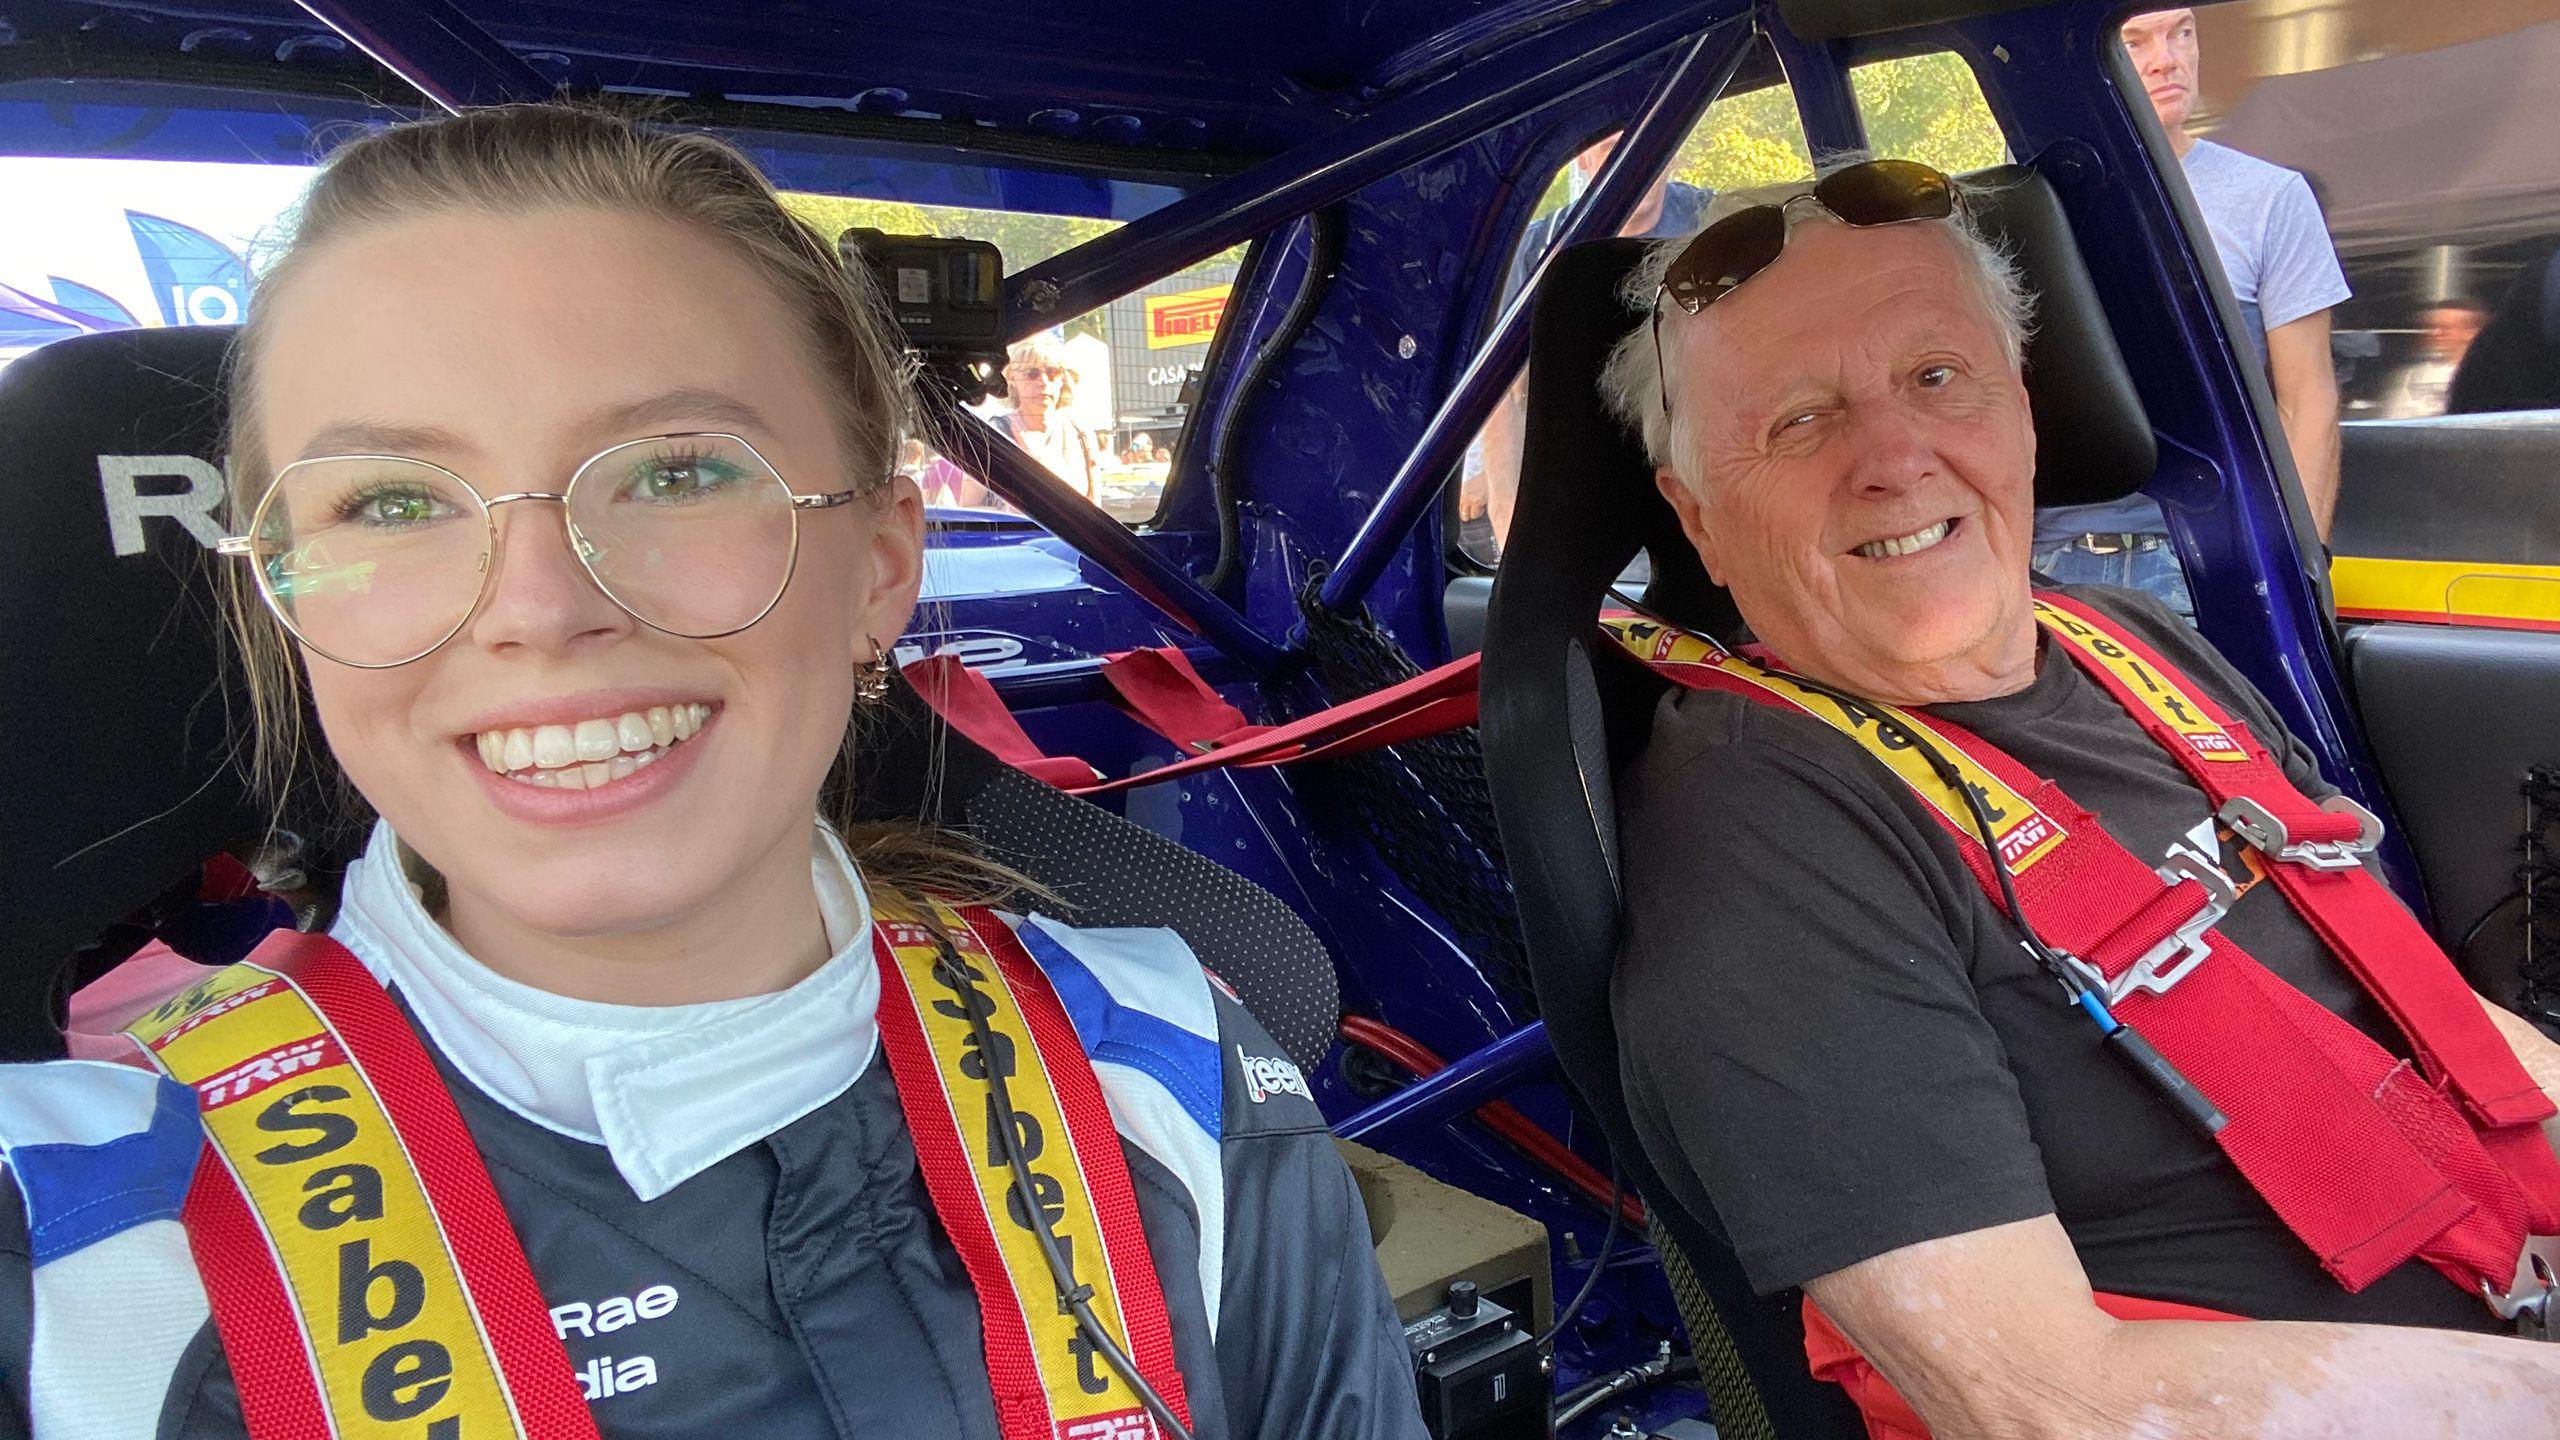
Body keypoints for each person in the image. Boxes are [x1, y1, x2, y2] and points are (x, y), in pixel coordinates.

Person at [0, 105, 1425, 1440]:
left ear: (878, 566)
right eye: (392, 502)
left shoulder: (1169, 1074)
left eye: (675, 473)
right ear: (291, 602)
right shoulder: (69, 1246)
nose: (541, 607)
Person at [1592, 156, 2560, 1438]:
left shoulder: (2130, 645)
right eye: (1798, 421)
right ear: (1697, 520)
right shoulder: (1764, 834)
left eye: (1937, 378)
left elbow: (2430, 1019)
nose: (1894, 455)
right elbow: (2037, 1395)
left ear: (2023, 412)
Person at [2035, 8, 2350, 616]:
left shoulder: (2270, 198)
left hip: (2208, 563)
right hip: (2047, 560)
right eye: (2134, 40)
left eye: (2182, 32)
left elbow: (2308, 399)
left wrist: (2299, 571)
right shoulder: (2029, 202)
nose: (2166, 59)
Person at [1462, 134, 1711, 558]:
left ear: (1675, 155)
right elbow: (1503, 386)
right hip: (1580, 469)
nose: (1633, 160)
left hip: (1693, 461)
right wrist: (1507, 509)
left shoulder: (1711, 225)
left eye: (1648, 142)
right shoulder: (1540, 250)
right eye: (1610, 144)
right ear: (1580, 157)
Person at [996, 335, 1105, 501]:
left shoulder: (1082, 435)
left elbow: (1095, 509)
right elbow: (969, 511)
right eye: (1032, 373)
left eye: (1053, 372)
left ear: (1062, 379)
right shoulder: (996, 432)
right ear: (1012, 378)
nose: (1043, 381)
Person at [2368, 298, 2489, 419]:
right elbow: (2395, 420)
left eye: (2445, 328)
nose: (2435, 333)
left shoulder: (2484, 377)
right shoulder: (2412, 376)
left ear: (2471, 332)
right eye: (2431, 327)